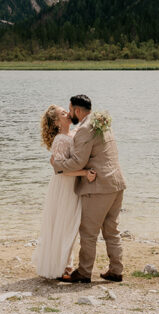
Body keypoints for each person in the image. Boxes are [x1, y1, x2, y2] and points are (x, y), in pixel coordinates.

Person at [50, 94, 126, 283]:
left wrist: (57, 165)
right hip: (116, 183)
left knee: (88, 232)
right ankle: (116, 270)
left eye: (70, 109)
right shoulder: (102, 123)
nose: (69, 113)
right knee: (112, 230)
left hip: (98, 187)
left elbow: (78, 162)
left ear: (77, 110)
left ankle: (84, 272)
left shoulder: (85, 129)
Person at [32, 105, 97, 279]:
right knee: (64, 224)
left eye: (66, 111)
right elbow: (62, 170)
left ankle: (66, 263)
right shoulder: (60, 140)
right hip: (63, 186)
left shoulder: (73, 133)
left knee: (70, 224)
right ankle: (62, 266)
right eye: (63, 113)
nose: (68, 114)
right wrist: (85, 173)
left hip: (72, 186)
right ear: (56, 121)